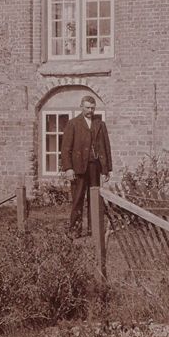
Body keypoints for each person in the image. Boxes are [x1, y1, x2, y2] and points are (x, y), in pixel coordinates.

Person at [61, 96, 112, 237]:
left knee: (94, 199)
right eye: (87, 107)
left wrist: (106, 169)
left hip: (94, 167)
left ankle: (93, 229)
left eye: (92, 108)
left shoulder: (100, 124)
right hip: (78, 168)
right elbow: (65, 149)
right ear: (81, 107)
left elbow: (106, 147)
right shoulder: (73, 124)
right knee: (77, 199)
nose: (90, 110)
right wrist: (68, 168)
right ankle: (74, 230)